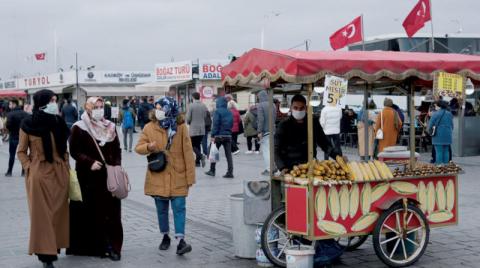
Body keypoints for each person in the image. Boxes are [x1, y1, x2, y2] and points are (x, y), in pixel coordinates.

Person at [17, 89, 70, 268]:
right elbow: (21, 151)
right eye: (52, 100)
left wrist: (66, 166)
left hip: (59, 174)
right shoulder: (28, 124)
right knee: (42, 216)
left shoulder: (59, 122)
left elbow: (64, 149)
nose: (55, 103)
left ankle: (53, 247)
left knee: (57, 213)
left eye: (56, 99)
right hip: (39, 174)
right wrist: (30, 168)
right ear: (42, 102)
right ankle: (46, 257)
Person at [135, 96, 195, 255]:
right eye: (157, 108)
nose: (158, 111)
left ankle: (181, 241)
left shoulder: (181, 127)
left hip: (178, 174)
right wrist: (149, 146)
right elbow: (138, 148)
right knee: (161, 209)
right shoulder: (149, 127)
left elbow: (188, 152)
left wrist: (190, 177)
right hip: (158, 174)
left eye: (161, 108)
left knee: (179, 208)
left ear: (170, 108)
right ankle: (165, 236)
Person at [67, 97, 123, 261]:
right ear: (88, 108)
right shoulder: (79, 127)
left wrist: (117, 166)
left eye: (101, 106)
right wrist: (89, 162)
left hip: (108, 177)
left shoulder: (111, 127)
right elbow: (74, 151)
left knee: (111, 212)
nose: (99, 109)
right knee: (90, 211)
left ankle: (113, 246)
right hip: (88, 177)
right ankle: (92, 246)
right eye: (95, 107)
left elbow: (118, 149)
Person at [275, 94, 341, 173]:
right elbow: (276, 148)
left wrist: (337, 156)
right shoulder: (284, 125)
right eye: (295, 108)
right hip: (290, 167)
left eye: (301, 108)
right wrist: (282, 167)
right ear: (291, 108)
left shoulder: (313, 122)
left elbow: (324, 143)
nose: (298, 111)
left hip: (310, 166)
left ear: (306, 108)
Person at [205, 96, 234, 178]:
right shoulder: (229, 112)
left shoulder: (217, 112)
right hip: (228, 135)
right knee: (228, 155)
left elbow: (216, 124)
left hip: (218, 135)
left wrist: (213, 135)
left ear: (219, 103)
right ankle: (230, 172)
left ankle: (212, 170)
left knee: (214, 152)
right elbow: (231, 124)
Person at [5, 99, 28, 177]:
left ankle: (9, 171)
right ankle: (24, 171)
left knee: (12, 154)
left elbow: (8, 125)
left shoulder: (10, 114)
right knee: (23, 153)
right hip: (23, 136)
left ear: (14, 104)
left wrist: (11, 130)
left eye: (10, 104)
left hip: (13, 136)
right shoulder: (26, 114)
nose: (9, 106)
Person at [257, 89, 277, 175]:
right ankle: (274, 167)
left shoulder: (260, 105)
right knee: (272, 150)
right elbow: (275, 117)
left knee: (266, 151)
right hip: (273, 130)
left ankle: (269, 169)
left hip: (265, 132)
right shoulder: (273, 104)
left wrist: (259, 131)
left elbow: (260, 119)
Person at [428, 100, 453, 165]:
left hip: (438, 134)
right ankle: (446, 166)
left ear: (439, 106)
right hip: (448, 134)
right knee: (446, 151)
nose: (435, 107)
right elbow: (452, 125)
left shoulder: (435, 114)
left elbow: (430, 125)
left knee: (439, 151)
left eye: (436, 105)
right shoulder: (449, 114)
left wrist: (429, 131)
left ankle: (439, 166)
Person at [186, 92, 208, 167]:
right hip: (202, 128)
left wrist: (188, 122)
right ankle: (197, 162)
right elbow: (205, 116)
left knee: (191, 145)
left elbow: (188, 118)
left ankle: (201, 156)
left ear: (193, 97)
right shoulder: (203, 105)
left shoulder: (191, 106)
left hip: (194, 128)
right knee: (197, 144)